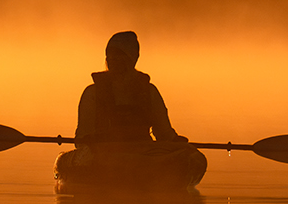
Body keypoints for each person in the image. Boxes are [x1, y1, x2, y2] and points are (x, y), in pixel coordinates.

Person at [69, 32, 206, 183]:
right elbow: (82, 136)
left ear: (132, 59)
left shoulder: (149, 91)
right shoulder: (93, 93)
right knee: (88, 157)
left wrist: (175, 141)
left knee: (193, 155)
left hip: (143, 152)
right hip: (106, 153)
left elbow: (163, 133)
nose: (113, 60)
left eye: (119, 55)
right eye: (110, 55)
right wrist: (89, 142)